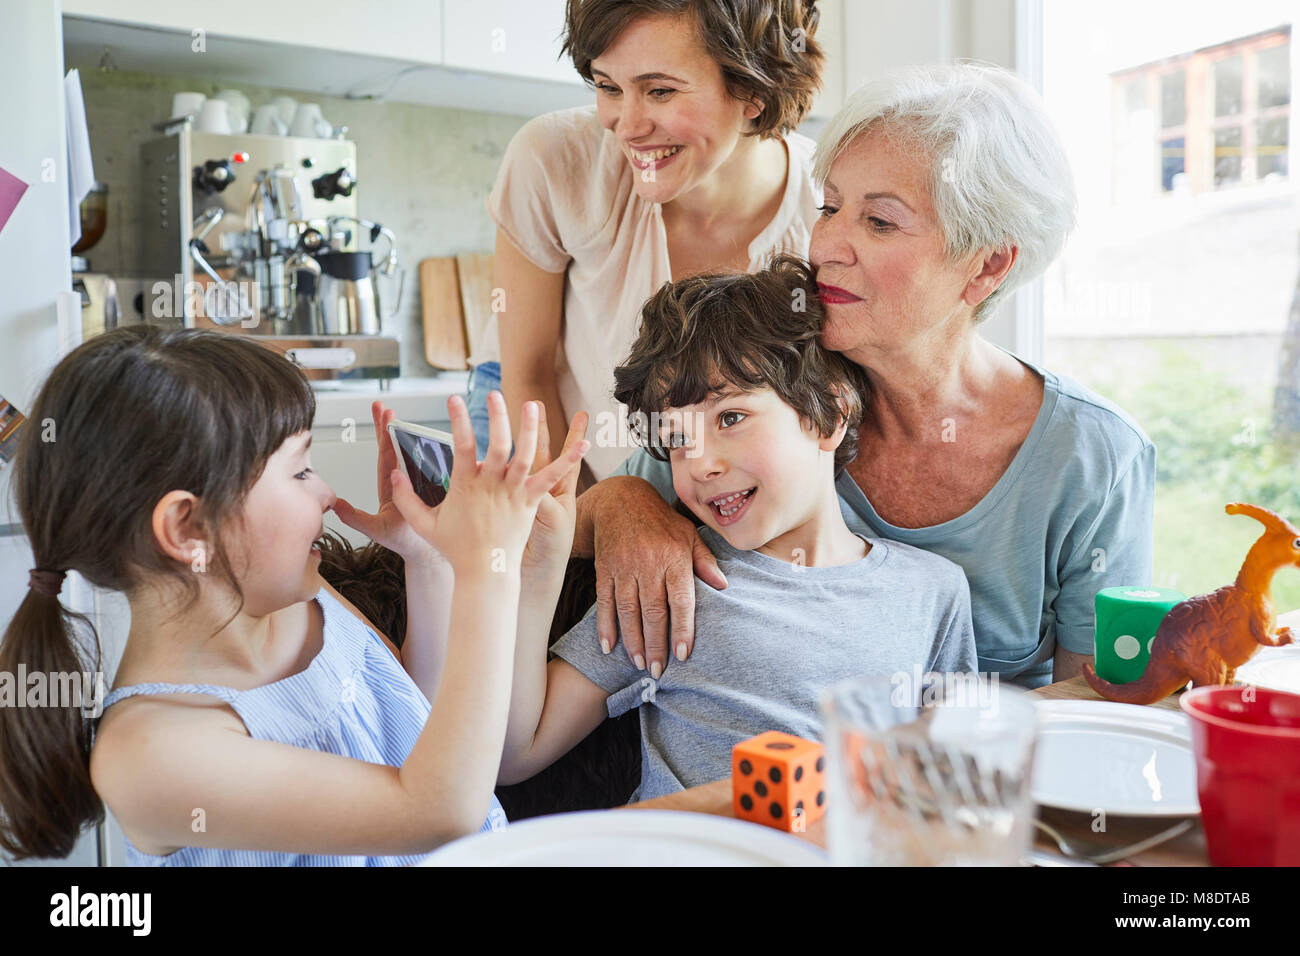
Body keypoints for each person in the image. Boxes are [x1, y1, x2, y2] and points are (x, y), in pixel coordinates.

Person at [572, 63, 1157, 689]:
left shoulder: (1094, 457)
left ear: (986, 265)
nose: (825, 247)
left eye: (879, 222)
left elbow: (1103, 710)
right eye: (829, 207)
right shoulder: (780, 386)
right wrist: (622, 503)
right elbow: (577, 523)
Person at [0, 325, 587, 864]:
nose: (327, 493)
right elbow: (439, 810)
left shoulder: (303, 600)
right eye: (301, 470)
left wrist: (428, 560)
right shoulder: (151, 752)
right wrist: (490, 570)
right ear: (187, 529)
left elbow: (420, 725)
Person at [497, 259, 976, 799]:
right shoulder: (669, 586)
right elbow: (515, 753)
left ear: (827, 416)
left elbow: (952, 782)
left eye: (729, 418)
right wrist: (538, 570)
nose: (700, 463)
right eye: (676, 441)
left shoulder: (934, 592)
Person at [469, 0, 826, 485]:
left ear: (753, 90)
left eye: (660, 91)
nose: (627, 125)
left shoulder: (828, 207)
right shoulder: (553, 158)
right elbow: (526, 375)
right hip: (539, 417)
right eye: (608, 87)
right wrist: (581, 526)